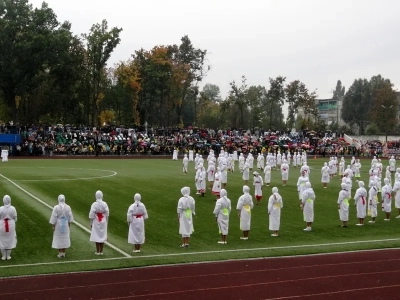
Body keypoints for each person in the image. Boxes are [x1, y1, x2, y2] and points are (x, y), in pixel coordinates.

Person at [89, 190, 109, 255]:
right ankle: (101, 251)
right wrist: (105, 219)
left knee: (97, 235)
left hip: (96, 220)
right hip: (103, 220)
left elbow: (91, 214)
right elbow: (107, 213)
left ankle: (98, 251)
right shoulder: (105, 204)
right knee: (102, 235)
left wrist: (91, 222)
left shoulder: (94, 204)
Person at [0, 195, 17, 260]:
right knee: (10, 239)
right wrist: (12, 222)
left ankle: (3, 256)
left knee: (2, 239)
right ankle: (8, 256)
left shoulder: (1, 208)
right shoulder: (13, 208)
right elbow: (15, 218)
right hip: (11, 225)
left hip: (1, 225)